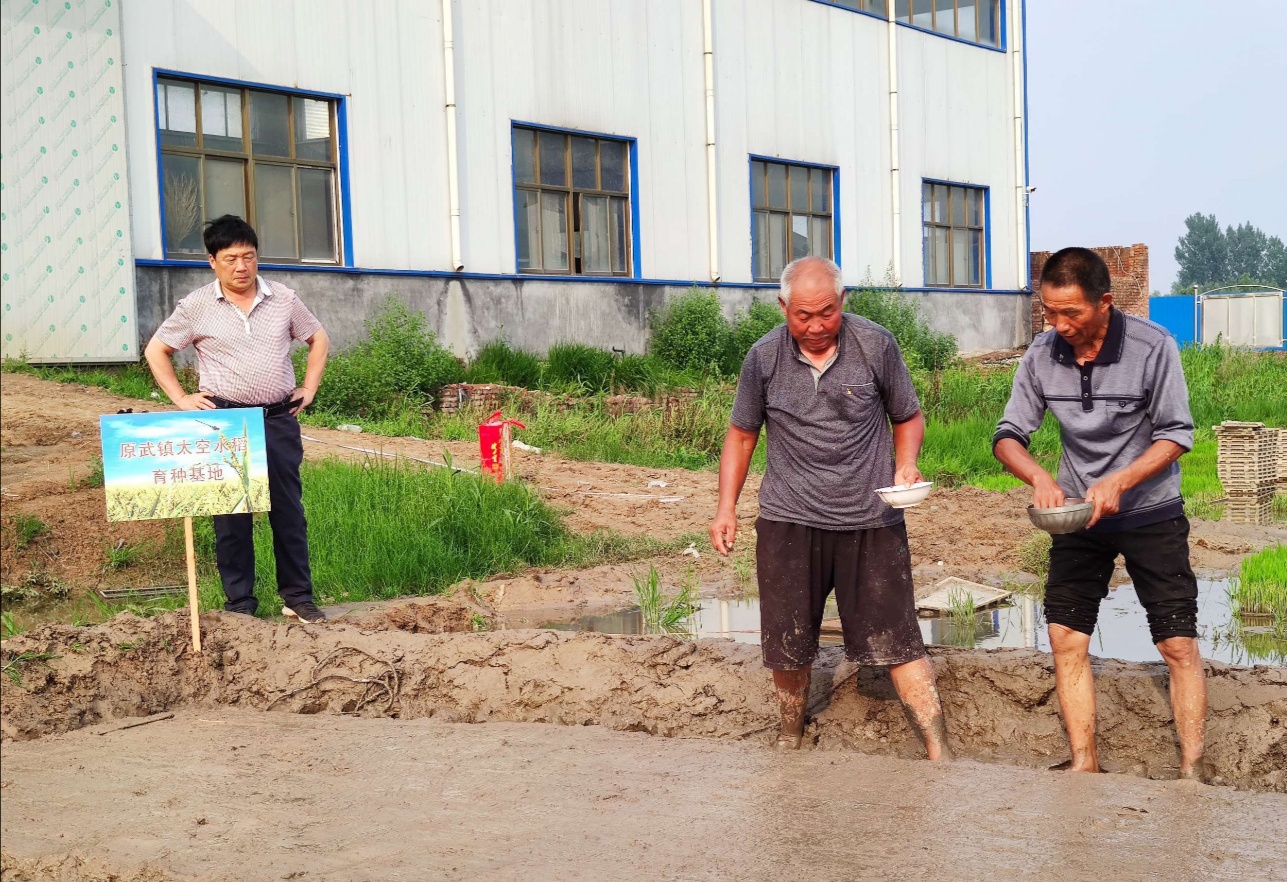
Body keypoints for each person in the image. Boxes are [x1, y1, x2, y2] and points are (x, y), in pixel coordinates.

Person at [709, 256, 952, 758]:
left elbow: (907, 416)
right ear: (782, 308)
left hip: (871, 519)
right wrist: (725, 508)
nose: (816, 327)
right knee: (789, 642)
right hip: (788, 520)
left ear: (843, 302)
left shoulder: (875, 344)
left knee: (899, 639)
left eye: (827, 313)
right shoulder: (763, 357)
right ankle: (789, 736)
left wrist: (905, 463)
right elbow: (741, 435)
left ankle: (938, 749)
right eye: (803, 316)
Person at [993, 246, 1207, 779]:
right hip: (1077, 515)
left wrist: (1121, 480)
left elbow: (1176, 434)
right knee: (1066, 636)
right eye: (1049, 312)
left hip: (1151, 511)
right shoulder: (1042, 354)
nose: (1058, 324)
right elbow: (1008, 436)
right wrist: (1041, 477)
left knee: (1176, 641)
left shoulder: (1152, 347)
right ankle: (1084, 766)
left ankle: (1192, 772)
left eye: (1072, 313)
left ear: (1105, 302)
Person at [144, 215, 331, 624]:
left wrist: (310, 387)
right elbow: (157, 350)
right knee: (230, 518)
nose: (242, 267)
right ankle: (240, 605)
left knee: (287, 511)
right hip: (224, 422)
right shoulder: (195, 307)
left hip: (277, 418)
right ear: (213, 261)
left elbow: (318, 338)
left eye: (248, 256)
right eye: (231, 258)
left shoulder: (283, 298)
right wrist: (180, 397)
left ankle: (298, 598)